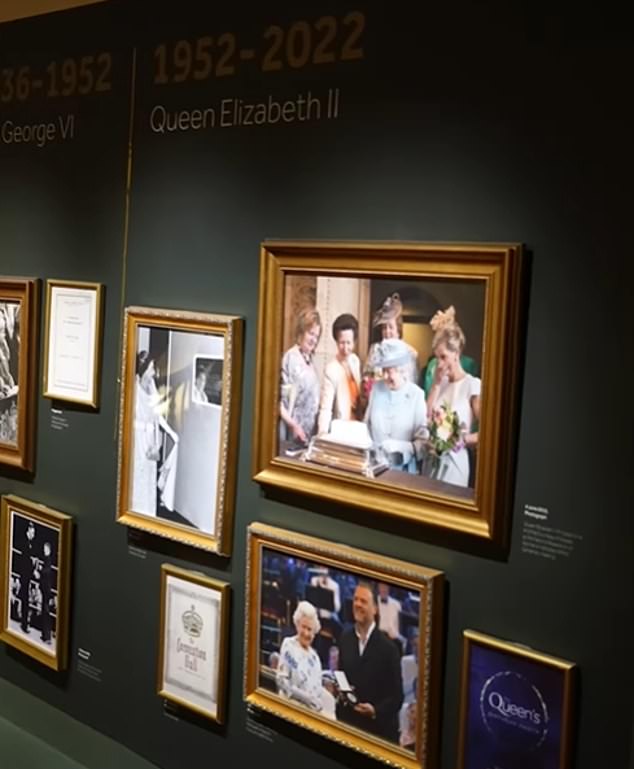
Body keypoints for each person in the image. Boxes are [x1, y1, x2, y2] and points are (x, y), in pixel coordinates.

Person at [336, 582, 403, 742]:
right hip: (348, 727)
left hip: (376, 733)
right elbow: (341, 675)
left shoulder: (389, 649)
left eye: (363, 601)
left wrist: (375, 711)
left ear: (375, 608)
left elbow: (397, 697)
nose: (357, 604)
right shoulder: (345, 638)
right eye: (355, 599)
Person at [423, 306, 481, 487]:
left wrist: (462, 440)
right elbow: (426, 417)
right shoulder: (440, 382)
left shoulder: (472, 385)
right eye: (436, 357)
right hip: (432, 461)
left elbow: (488, 433)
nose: (439, 364)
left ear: (456, 354)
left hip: (456, 463)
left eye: (443, 357)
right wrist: (436, 384)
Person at [365, 338, 428, 473]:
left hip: (403, 472)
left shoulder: (416, 395)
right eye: (384, 370)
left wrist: (401, 447)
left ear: (402, 370)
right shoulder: (376, 389)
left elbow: (423, 444)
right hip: (374, 469)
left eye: (390, 371)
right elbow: (367, 426)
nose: (385, 376)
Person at [131, 350, 179, 517]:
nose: (153, 372)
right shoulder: (133, 389)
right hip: (137, 440)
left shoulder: (152, 388)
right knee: (138, 473)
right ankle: (134, 511)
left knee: (149, 473)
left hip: (151, 439)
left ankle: (147, 513)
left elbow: (158, 416)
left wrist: (173, 435)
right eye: (151, 368)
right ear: (143, 368)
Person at [276, 600, 336, 718]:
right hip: (292, 704)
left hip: (312, 709)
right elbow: (282, 681)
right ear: (297, 624)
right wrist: (305, 698)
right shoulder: (289, 645)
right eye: (303, 627)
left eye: (310, 630)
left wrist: (316, 702)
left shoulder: (315, 657)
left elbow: (317, 690)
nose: (306, 633)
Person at [279, 309, 322, 448]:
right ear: (301, 332)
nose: (314, 340)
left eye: (316, 336)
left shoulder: (310, 360)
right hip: (291, 436)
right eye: (311, 333)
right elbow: (279, 403)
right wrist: (294, 426)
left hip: (306, 436)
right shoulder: (291, 357)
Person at [364, 293, 418, 393]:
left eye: (391, 327)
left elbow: (412, 383)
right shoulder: (375, 349)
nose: (387, 332)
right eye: (384, 327)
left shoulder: (409, 352)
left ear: (398, 329)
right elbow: (367, 378)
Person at [317, 313, 362, 436]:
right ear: (336, 342)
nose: (345, 347)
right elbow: (325, 408)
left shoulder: (355, 361)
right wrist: (322, 434)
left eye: (349, 342)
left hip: (358, 427)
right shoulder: (331, 369)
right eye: (342, 342)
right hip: (342, 429)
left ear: (354, 341)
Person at [17, 520, 36, 634]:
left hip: (26, 576)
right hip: (24, 575)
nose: (33, 535)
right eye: (32, 533)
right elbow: (24, 561)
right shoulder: (25, 543)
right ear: (28, 532)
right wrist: (31, 563)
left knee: (25, 600)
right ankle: (24, 624)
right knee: (25, 600)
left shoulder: (29, 544)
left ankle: (24, 622)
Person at [38, 541, 54, 645]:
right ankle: (45, 635)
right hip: (45, 588)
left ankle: (47, 636)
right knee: (45, 611)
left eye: (45, 549)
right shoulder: (46, 559)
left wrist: (40, 569)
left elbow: (47, 571)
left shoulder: (48, 560)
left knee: (46, 611)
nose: (43, 550)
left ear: (48, 550)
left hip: (46, 589)